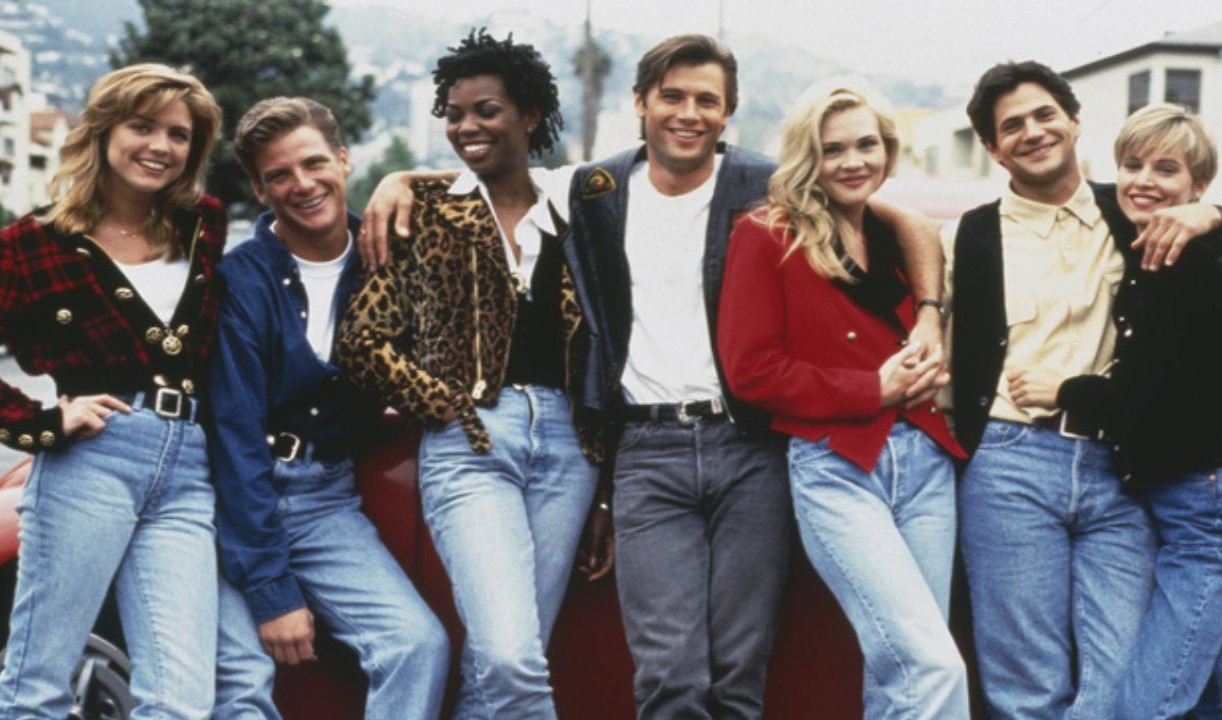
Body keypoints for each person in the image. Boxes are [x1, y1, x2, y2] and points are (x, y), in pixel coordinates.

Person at [357, 34, 944, 719]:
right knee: (668, 675)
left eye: (706, 100)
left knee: (738, 671)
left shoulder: (764, 186)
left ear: (729, 113)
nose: (687, 114)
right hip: (645, 452)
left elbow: (905, 218)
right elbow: (499, 175)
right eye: (671, 97)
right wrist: (400, 180)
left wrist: (930, 312)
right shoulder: (594, 188)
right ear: (640, 103)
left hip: (750, 448)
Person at [945, 61, 1222, 719]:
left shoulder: (1131, 209)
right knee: (1026, 685)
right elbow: (933, 323)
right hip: (1010, 464)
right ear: (992, 147)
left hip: (1118, 467)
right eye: (1011, 126)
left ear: (1074, 122)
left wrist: (1214, 216)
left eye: (1045, 115)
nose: (1032, 132)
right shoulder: (974, 234)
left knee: (1125, 676)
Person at [337, 30, 602, 719]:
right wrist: (445, 403)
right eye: (454, 114)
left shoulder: (577, 215)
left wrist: (606, 477)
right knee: (514, 657)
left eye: (486, 110)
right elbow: (361, 341)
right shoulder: (422, 214)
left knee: (502, 667)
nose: (466, 127)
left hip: (570, 453)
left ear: (531, 115)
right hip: (472, 447)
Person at [716, 83, 968, 719]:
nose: (854, 161)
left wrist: (932, 323)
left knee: (903, 672)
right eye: (833, 150)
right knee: (932, 664)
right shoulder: (767, 234)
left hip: (927, 465)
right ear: (808, 157)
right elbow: (749, 371)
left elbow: (929, 242)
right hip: (839, 467)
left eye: (867, 145)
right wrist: (870, 388)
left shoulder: (892, 229)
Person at [1027, 104, 1222, 719]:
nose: (1143, 180)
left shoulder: (1196, 266)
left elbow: (1159, 404)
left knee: (1145, 706)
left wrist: (1064, 390)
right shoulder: (1154, 252)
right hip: (1198, 502)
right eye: (1132, 164)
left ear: (1197, 188)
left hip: (1212, 509)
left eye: (1167, 169)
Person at [209, 96, 450, 720]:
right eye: (280, 175)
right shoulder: (238, 279)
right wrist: (270, 590)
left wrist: (404, 179)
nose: (304, 184)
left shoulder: (388, 256)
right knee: (242, 683)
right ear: (260, 190)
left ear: (343, 160)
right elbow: (233, 434)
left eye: (315, 163)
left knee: (416, 646)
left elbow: (507, 188)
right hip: (227, 502)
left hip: (323, 499)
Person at [0, 63, 224, 718]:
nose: (161, 146)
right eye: (142, 126)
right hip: (90, 464)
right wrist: (42, 420)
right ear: (103, 131)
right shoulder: (31, 245)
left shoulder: (202, 225)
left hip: (188, 472)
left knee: (181, 700)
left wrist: (405, 184)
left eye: (179, 135)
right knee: (38, 681)